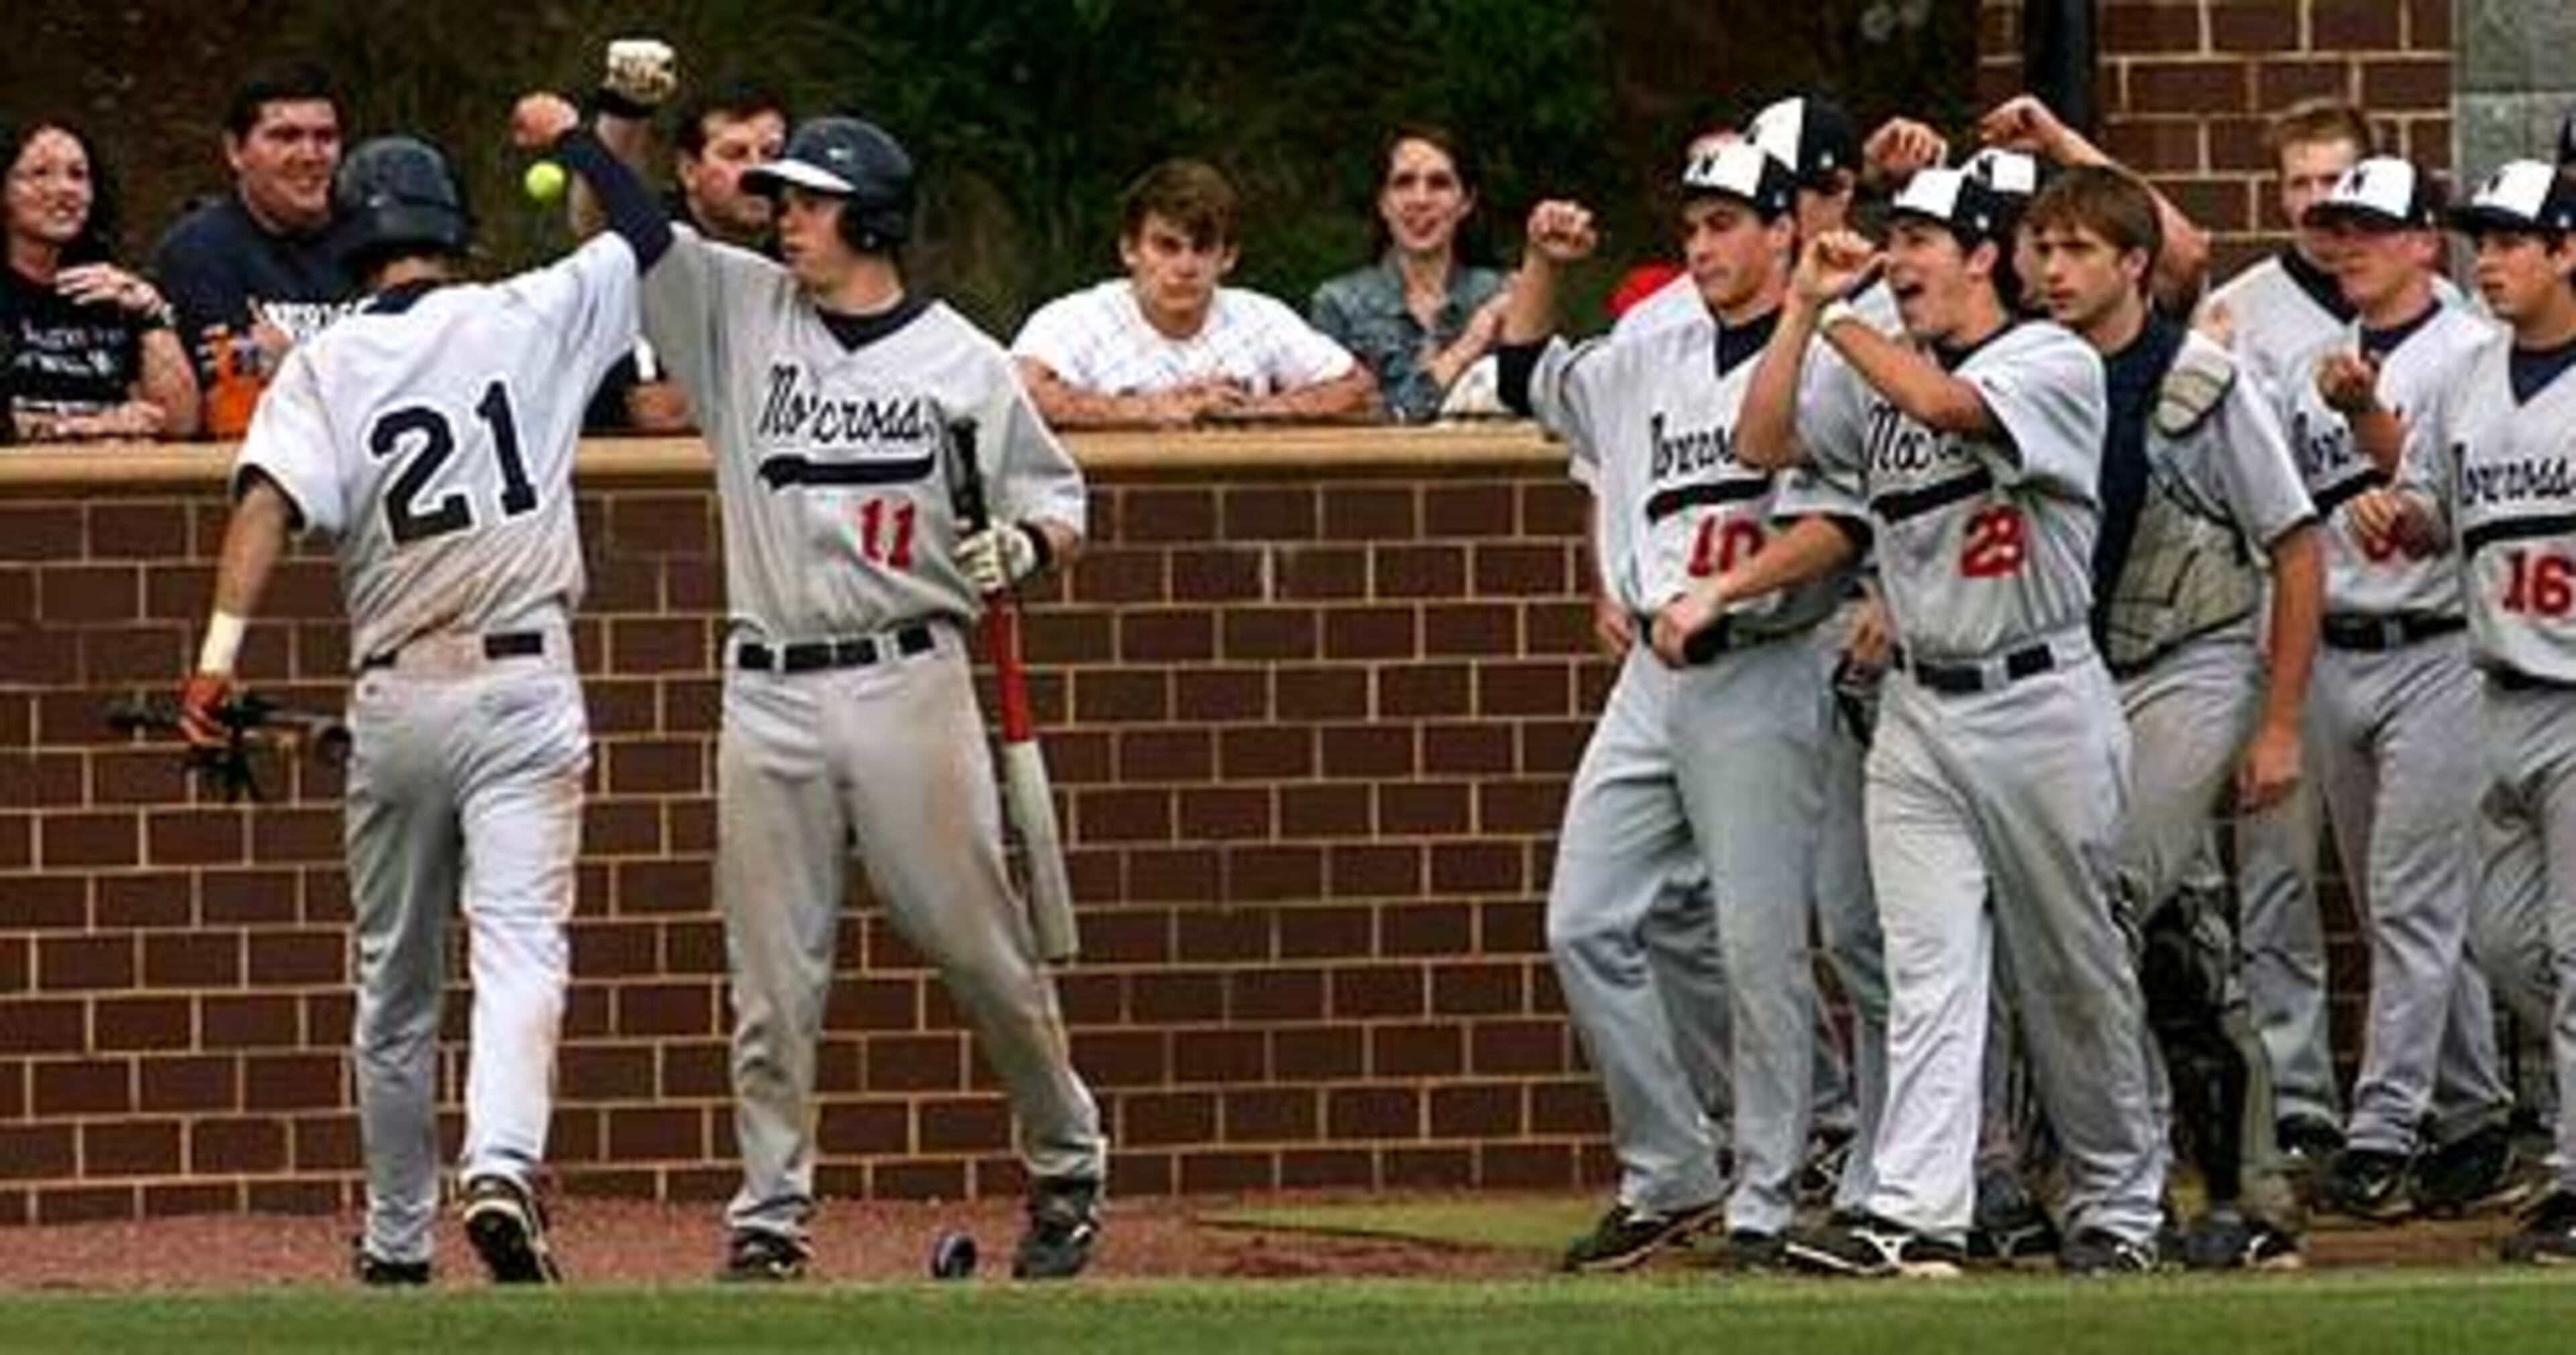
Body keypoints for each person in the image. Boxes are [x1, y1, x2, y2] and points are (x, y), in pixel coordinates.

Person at [524, 78, 1109, 1282]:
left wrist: (1028, 547)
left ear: (874, 221)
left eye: (812, 202)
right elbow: (617, 230)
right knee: (771, 975)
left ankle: (1067, 1161)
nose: (784, 216)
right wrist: (596, 128)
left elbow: (1059, 502)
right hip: (768, 684)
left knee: (984, 951)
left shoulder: (963, 360)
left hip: (912, 677)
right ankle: (770, 1217)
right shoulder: (737, 306)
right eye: (782, 197)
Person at [1682, 165, 2167, 1276]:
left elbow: (1947, 406)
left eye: (1919, 242)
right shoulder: (1871, 356)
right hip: (1920, 705)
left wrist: (1843, 319)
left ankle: (2122, 1210)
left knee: (2072, 972)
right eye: (1891, 239)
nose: (1895, 261)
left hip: (2041, 695)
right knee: (1927, 966)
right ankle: (1914, 1211)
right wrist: (1804, 308)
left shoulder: (2051, 358)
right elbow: (1759, 445)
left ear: (1984, 253)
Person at [175, 131, 641, 1286]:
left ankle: (394, 1239)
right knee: (523, 944)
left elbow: (267, 508)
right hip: (528, 677)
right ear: (453, 226)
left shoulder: (325, 369)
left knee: (395, 980)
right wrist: (599, 132)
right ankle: (501, 1163)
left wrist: (215, 663)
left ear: (358, 240)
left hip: (396, 690)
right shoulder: (531, 309)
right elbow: (636, 229)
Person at [1499, 141, 1869, 1270]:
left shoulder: (1829, 357)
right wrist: (1539, 266)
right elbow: (1526, 378)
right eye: (1693, 226)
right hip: (1656, 676)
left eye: (1727, 224)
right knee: (1584, 920)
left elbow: (1841, 529)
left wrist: (1729, 593)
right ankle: (1670, 1170)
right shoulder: (1656, 347)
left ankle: (1765, 1198)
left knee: (1759, 949)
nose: (1703, 246)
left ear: (1781, 233)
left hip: (1766, 660)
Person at [2023, 164, 2324, 1268]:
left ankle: (2123, 1183)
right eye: (2041, 249)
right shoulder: (2030, 371)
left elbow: (2294, 543)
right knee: (2169, 925)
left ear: (2135, 265)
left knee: (2106, 892)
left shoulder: (2198, 381)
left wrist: (2281, 720)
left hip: (2191, 662)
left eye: (2077, 251)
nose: (2052, 271)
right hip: (2076, 674)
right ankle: (2245, 1191)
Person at [2288, 156, 2524, 1222]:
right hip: (2338, 643)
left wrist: (2375, 424)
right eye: (2335, 226)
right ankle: (2475, 1115)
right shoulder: (2315, 358)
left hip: (2437, 644)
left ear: (2429, 242)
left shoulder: (2471, 350)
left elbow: (2442, 494)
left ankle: (2382, 1132)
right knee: (2416, 911)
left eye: (2372, 229)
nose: (2347, 245)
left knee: (2411, 902)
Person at [2196, 97, 2383, 1171]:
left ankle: (2449, 1115)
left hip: (2405, 631)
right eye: (2301, 183)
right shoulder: (2237, 309)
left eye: (2336, 183)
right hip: (2275, 636)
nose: (2318, 204)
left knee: (2404, 892)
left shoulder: (2428, 301)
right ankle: (2301, 1099)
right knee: (2271, 880)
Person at [2430, 157, 2576, 1264]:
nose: (2489, 260)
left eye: (2513, 240)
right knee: (2503, 941)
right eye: (2480, 240)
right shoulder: (2470, 377)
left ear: (2568, 250)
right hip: (2499, 689)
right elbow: (2449, 515)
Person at [1014, 158, 1377, 427]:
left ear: (1228, 257)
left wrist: (1253, 410)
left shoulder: (1262, 318)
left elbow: (1360, 391)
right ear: (1129, 250)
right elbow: (1018, 395)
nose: (1185, 267)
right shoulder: (1076, 319)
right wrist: (1150, 410)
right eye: (1167, 247)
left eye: (1202, 248)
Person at [149, 62, 354, 431]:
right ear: (235, 151)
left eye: (325, 137)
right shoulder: (200, 250)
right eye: (285, 137)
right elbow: (231, 411)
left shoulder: (372, 239)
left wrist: (293, 362)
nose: (310, 155)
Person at [583, 76, 790, 433]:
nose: (758, 171)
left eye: (771, 154)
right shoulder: (651, 249)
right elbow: (661, 410)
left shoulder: (807, 254)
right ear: (689, 171)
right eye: (735, 155)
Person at [3, 117, 197, 441]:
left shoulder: (112, 291)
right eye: (40, 174)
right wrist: (82, 426)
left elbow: (182, 423)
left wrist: (151, 314)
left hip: (108, 483)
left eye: (78, 175)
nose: (65, 189)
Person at [1308, 125, 1508, 423]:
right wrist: (1470, 345)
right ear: (1383, 203)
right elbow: (1344, 422)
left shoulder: (1499, 295)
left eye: (1439, 183)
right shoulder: (1338, 304)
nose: (1420, 199)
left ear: (1466, 202)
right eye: (1404, 183)